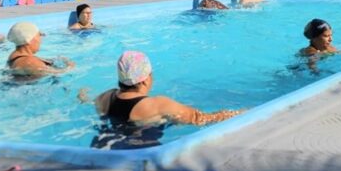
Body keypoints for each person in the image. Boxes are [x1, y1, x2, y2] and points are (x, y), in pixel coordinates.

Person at [94, 51, 242, 128]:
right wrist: (237, 114)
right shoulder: (157, 104)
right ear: (145, 79)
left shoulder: (104, 98)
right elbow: (200, 118)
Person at [6, 22, 74, 76]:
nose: (40, 39)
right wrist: (70, 65)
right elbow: (60, 73)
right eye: (39, 35)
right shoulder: (30, 62)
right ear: (29, 40)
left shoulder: (14, 56)